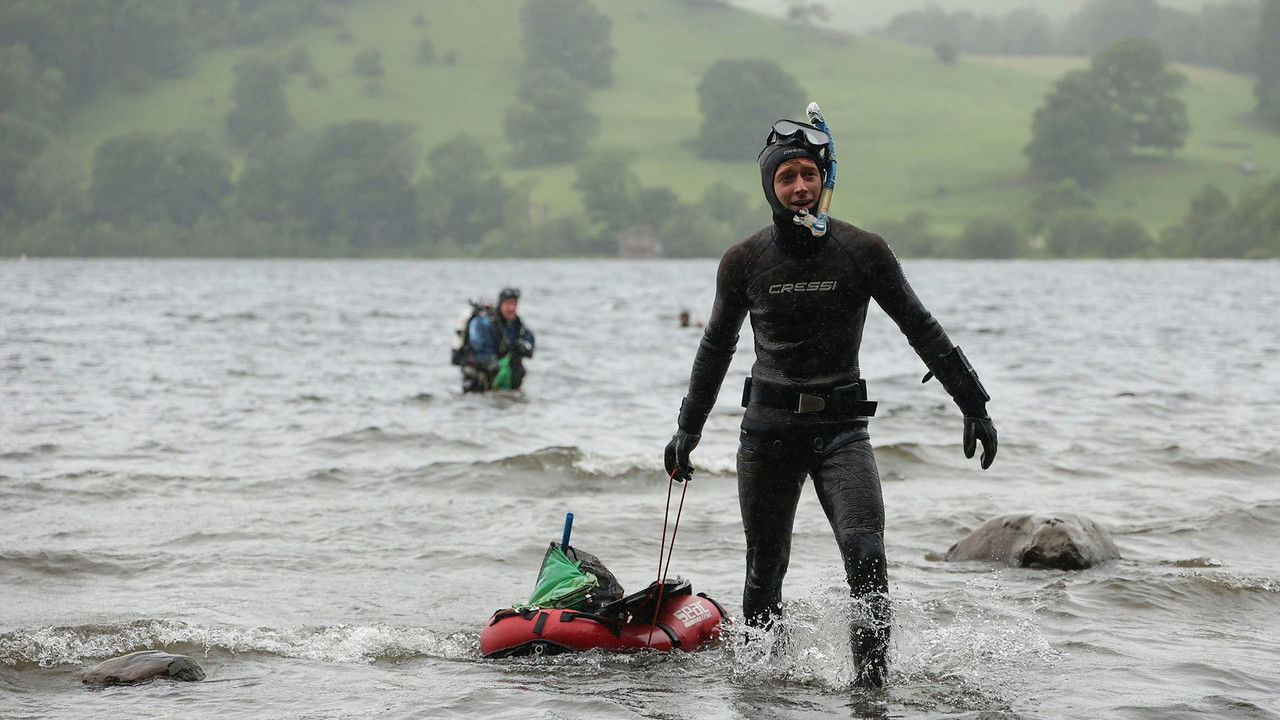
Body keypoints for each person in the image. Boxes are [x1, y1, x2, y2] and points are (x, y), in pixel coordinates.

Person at [662, 118, 997, 688]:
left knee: (867, 556)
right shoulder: (744, 260)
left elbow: (920, 326)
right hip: (767, 434)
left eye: (809, 175)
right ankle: (763, 690)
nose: (799, 188)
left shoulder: (863, 250)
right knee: (764, 570)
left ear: (825, 179)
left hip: (842, 431)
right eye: (786, 177)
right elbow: (716, 346)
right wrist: (687, 430)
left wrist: (973, 403)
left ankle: (871, 691)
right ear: (770, 186)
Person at [461, 287, 535, 393]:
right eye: (508, 304)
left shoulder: (517, 324)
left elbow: (529, 341)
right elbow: (480, 348)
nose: (511, 308)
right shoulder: (484, 322)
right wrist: (496, 365)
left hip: (505, 378)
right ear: (501, 303)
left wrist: (523, 347)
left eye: (514, 304)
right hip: (480, 376)